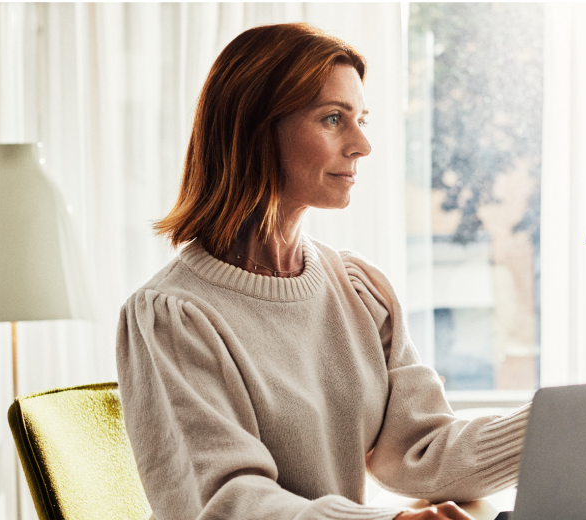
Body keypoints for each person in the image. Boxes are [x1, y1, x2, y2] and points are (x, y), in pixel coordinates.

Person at [116, 23, 530, 520]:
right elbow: (226, 499)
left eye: (361, 119)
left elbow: (420, 452)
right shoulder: (173, 315)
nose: (362, 145)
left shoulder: (361, 289)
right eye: (334, 118)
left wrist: (563, 427)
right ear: (254, 128)